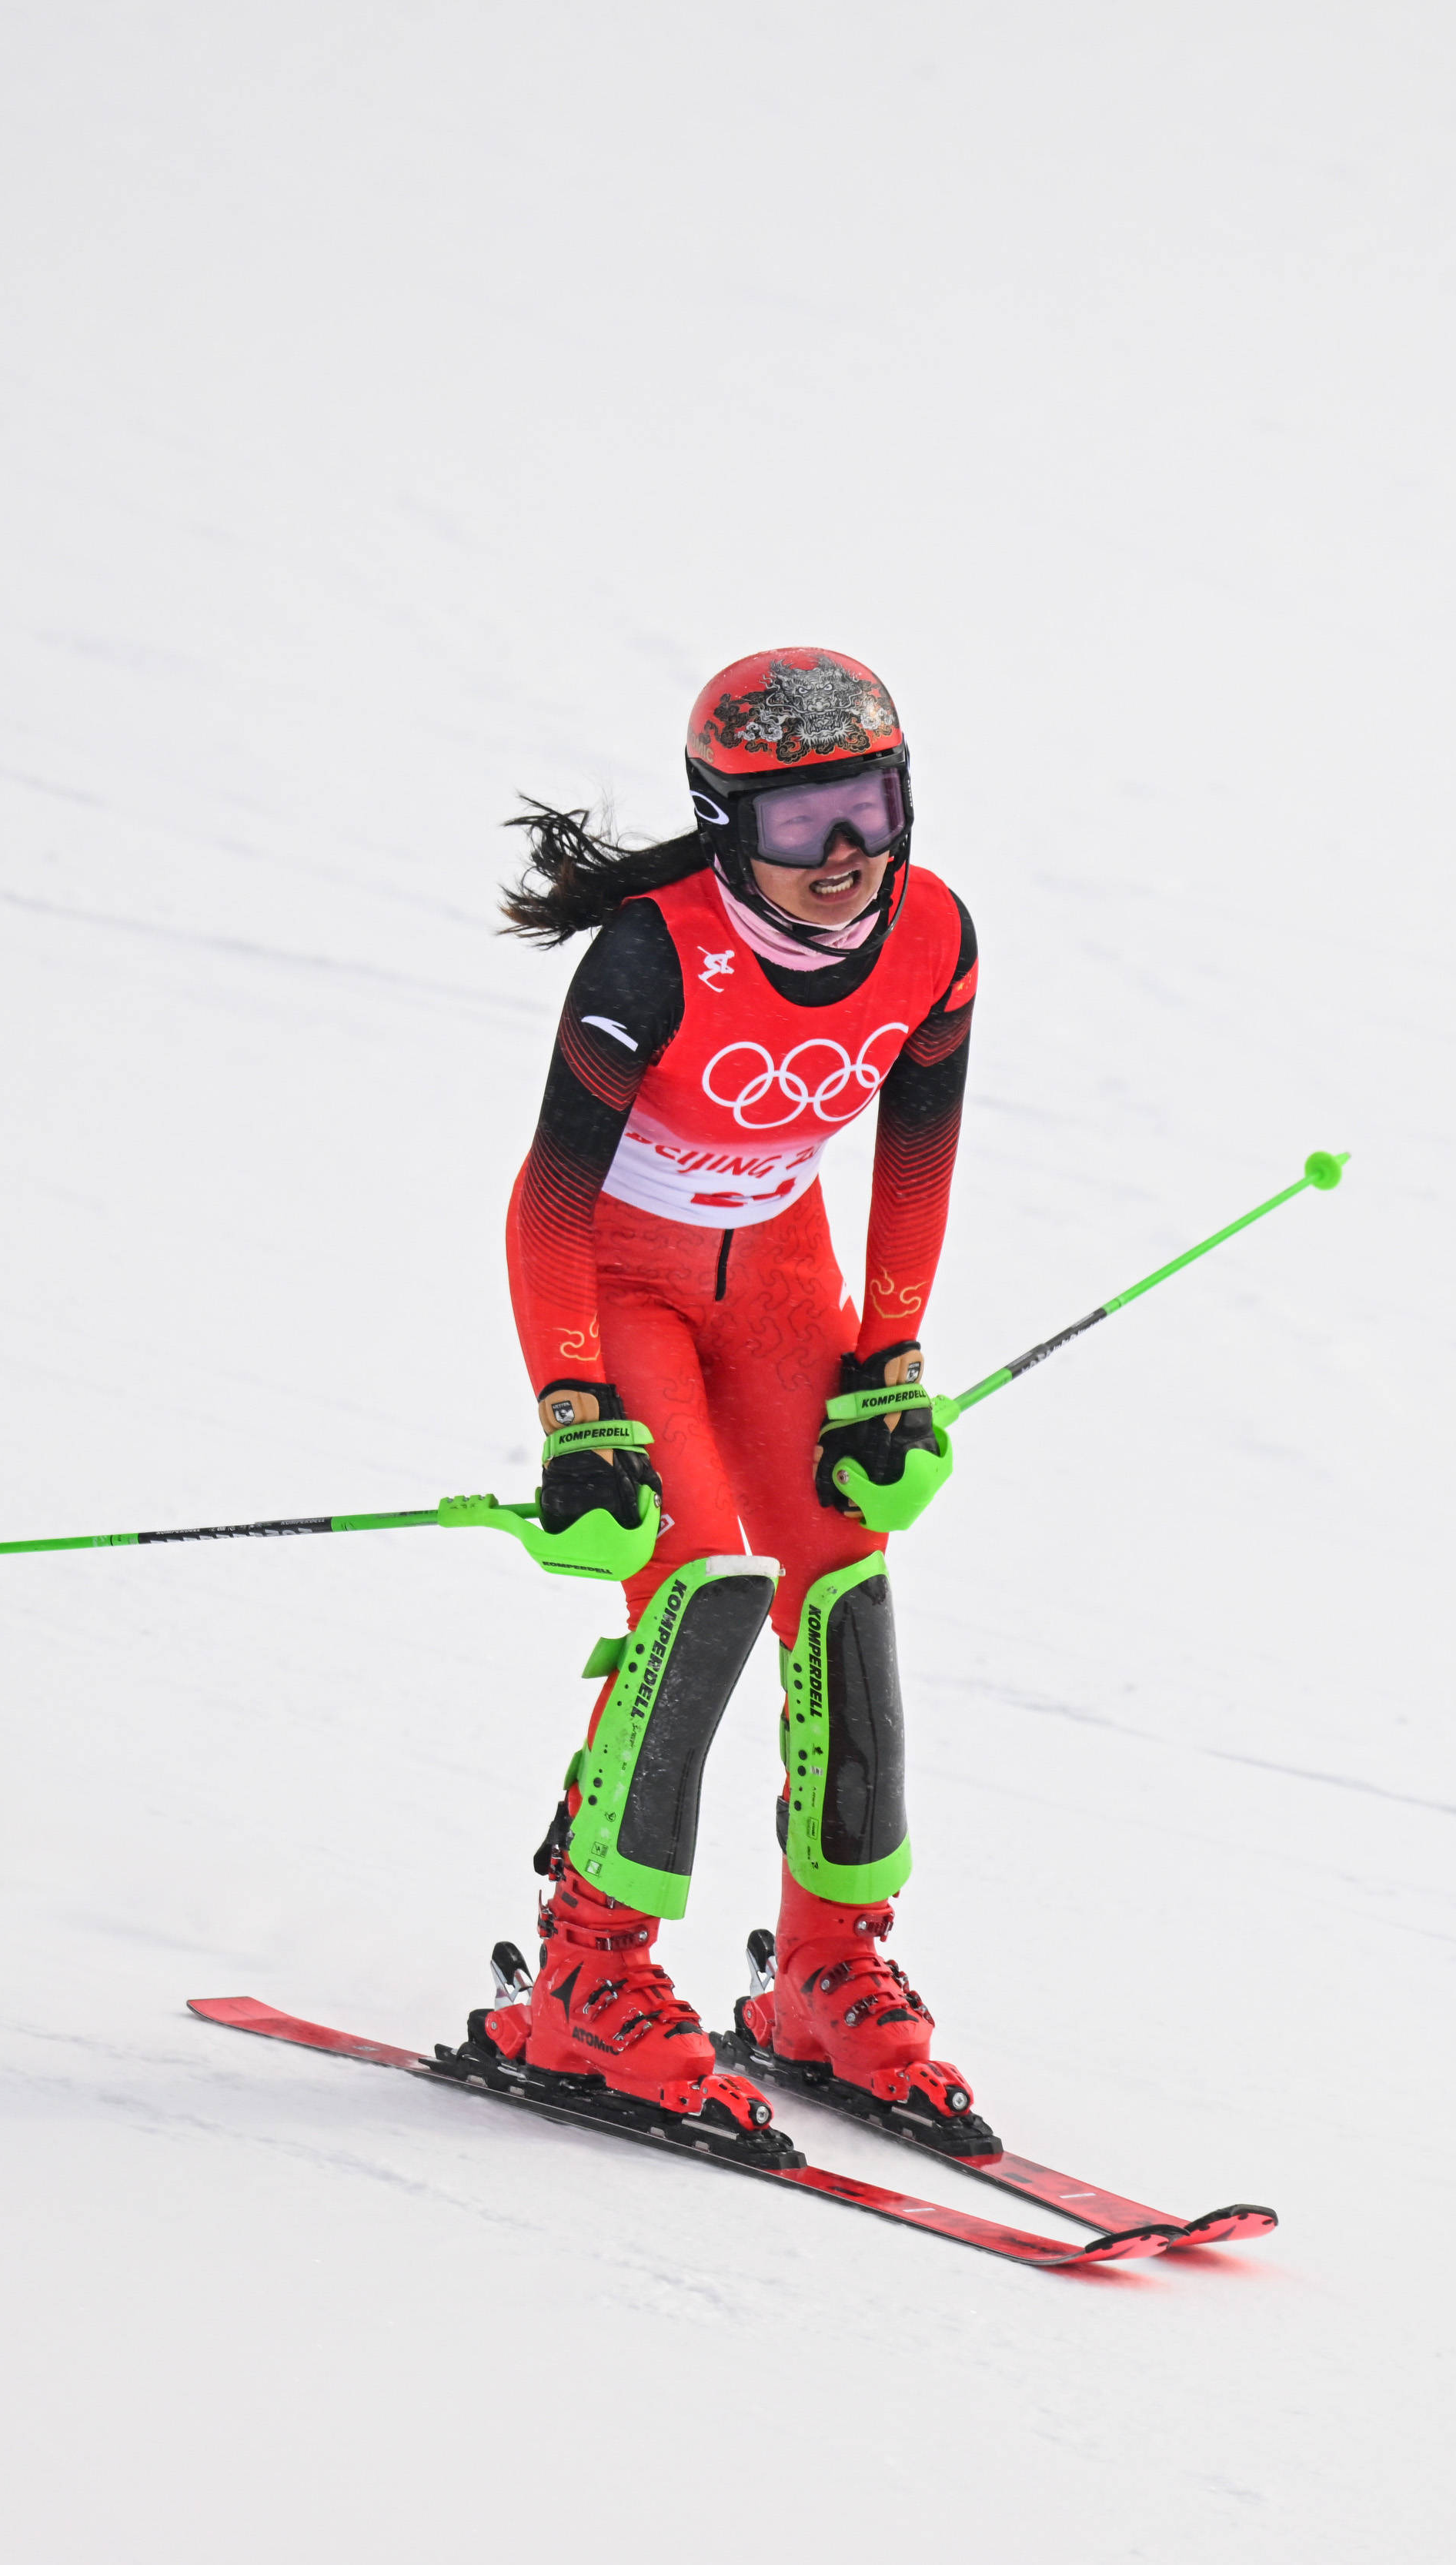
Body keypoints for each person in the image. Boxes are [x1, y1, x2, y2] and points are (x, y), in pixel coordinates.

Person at [484, 646, 979, 2148]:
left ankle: (830, 1973)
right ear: (723, 827)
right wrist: (576, 1409)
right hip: (622, 1286)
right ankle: (589, 1975)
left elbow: (913, 1156)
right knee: (693, 1586)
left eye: (868, 809)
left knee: (842, 1585)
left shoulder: (937, 935)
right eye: (795, 825)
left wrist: (890, 1360)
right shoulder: (648, 957)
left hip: (779, 1283)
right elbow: (548, 1199)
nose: (843, 857)